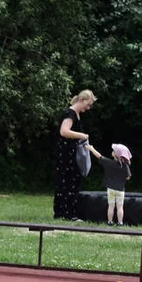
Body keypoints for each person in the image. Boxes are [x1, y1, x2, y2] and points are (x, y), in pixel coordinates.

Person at [54, 90, 95, 221]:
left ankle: (65, 212)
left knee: (71, 181)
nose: (88, 108)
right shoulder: (70, 113)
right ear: (82, 100)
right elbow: (64, 131)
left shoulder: (75, 114)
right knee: (67, 181)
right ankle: (67, 213)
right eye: (88, 105)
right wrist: (81, 135)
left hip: (71, 153)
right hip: (67, 154)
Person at [88, 143, 132, 226]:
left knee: (111, 206)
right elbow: (128, 177)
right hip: (120, 190)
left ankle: (110, 222)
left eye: (114, 150)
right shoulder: (125, 166)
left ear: (115, 154)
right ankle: (120, 222)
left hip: (111, 189)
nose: (112, 151)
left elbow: (99, 156)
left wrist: (91, 149)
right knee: (120, 207)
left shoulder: (109, 163)